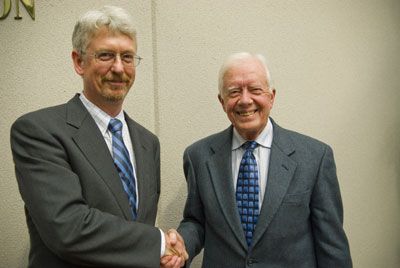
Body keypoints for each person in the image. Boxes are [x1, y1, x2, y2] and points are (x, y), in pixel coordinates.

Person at [10, 6, 186, 268]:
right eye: (105, 55)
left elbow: (134, 229)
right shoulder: (38, 131)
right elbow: (68, 228)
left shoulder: (148, 143)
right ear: (79, 62)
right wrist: (160, 242)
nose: (118, 68)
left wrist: (164, 254)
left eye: (127, 57)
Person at [176, 52, 352, 267]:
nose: (245, 100)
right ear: (222, 102)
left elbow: (331, 244)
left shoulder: (315, 157)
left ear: (272, 96)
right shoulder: (198, 157)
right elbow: (196, 221)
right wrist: (181, 244)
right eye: (233, 92)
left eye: (255, 90)